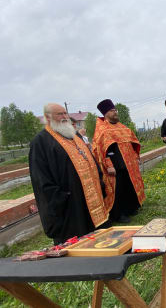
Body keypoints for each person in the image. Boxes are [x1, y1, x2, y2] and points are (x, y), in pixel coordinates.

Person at [29, 103, 109, 245]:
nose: (65, 117)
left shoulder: (74, 136)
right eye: (60, 114)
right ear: (48, 118)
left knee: (97, 242)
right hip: (70, 206)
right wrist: (62, 198)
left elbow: (92, 161)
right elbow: (41, 179)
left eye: (65, 113)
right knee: (77, 246)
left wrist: (100, 183)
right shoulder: (41, 142)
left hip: (90, 201)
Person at [92, 99, 146, 223]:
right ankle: (118, 214)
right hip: (114, 166)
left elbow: (132, 141)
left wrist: (135, 157)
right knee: (118, 190)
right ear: (105, 113)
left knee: (129, 186)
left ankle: (130, 209)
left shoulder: (121, 127)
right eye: (112, 111)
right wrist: (109, 165)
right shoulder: (102, 130)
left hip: (128, 164)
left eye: (115, 110)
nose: (115, 112)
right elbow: (101, 151)